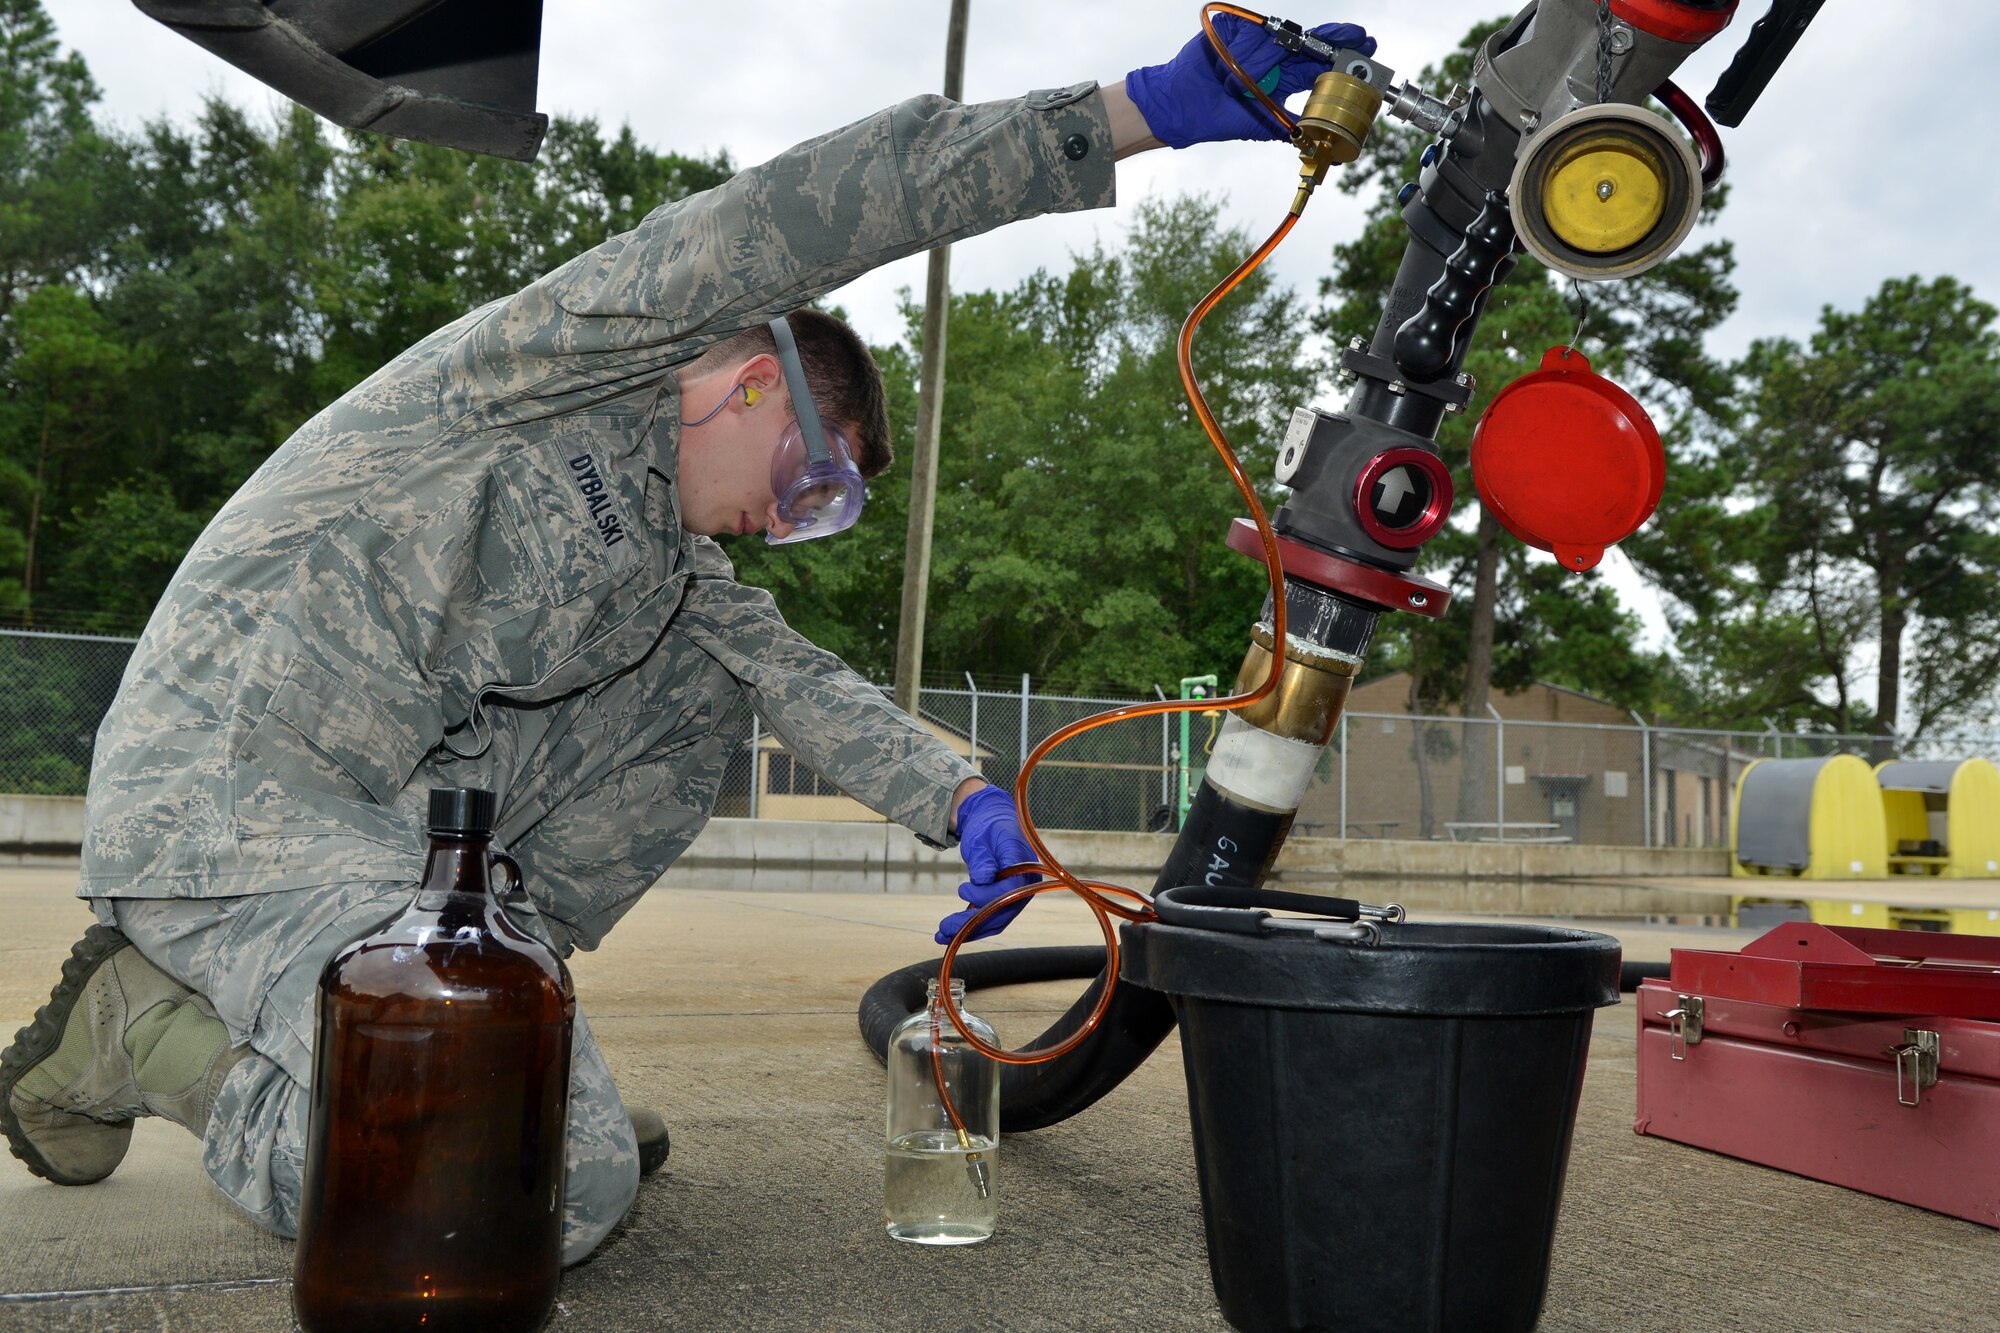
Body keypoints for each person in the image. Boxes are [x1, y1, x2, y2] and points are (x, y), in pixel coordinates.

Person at [1, 16, 1373, 1265]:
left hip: (364, 823)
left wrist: (959, 792)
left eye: (821, 518)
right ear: (752, 381)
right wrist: (1128, 113)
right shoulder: (571, 359)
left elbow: (798, 678)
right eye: (810, 482)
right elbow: (799, 217)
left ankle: (506, 1044)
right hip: (227, 796)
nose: (791, 525)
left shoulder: (669, 560)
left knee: (707, 684)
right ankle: (173, 1036)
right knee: (539, 1195)